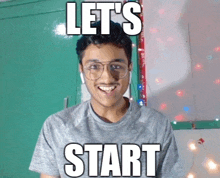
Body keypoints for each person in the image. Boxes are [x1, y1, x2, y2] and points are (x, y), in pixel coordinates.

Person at [29, 21, 184, 178]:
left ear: (129, 67)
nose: (107, 78)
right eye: (94, 67)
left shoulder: (156, 124)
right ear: (81, 69)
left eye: (116, 66)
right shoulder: (57, 126)